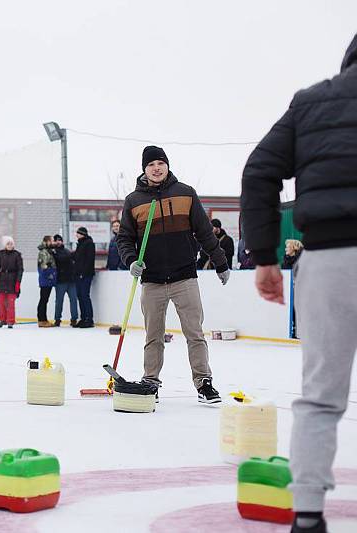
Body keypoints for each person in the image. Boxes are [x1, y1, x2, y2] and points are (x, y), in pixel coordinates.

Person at [240, 35, 357, 533]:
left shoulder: (312, 102)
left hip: (329, 258)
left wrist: (264, 256)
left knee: (320, 396)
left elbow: (259, 170)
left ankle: (308, 515)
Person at [117, 145, 230, 404]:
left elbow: (204, 231)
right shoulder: (134, 201)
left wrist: (220, 262)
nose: (156, 168)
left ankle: (204, 382)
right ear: (144, 169)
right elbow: (124, 238)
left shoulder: (186, 194)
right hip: (152, 280)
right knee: (153, 336)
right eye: (151, 164)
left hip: (184, 277)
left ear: (167, 165)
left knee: (195, 333)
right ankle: (151, 382)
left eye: (160, 163)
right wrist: (131, 260)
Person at [0, 236, 23, 328]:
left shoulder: (17, 255)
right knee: (1, 302)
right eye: (8, 243)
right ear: (5, 245)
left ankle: (10, 320)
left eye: (11, 243)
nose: (10, 245)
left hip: (13, 281)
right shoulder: (0, 254)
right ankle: (2, 320)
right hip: (2, 280)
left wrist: (18, 282)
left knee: (11, 303)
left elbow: (20, 269)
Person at [52, 234, 79, 327]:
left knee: (74, 300)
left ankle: (74, 319)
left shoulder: (66, 251)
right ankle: (57, 319)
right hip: (60, 280)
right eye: (56, 240)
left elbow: (72, 261)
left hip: (71, 280)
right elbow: (61, 259)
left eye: (60, 240)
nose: (58, 242)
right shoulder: (54, 252)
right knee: (59, 301)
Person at [72, 227, 96, 328]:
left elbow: (89, 260)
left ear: (82, 234)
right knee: (80, 296)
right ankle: (83, 318)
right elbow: (77, 258)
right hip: (78, 274)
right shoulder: (80, 244)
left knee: (85, 295)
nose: (76, 235)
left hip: (86, 275)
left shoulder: (89, 243)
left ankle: (89, 319)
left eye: (78, 233)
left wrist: (84, 273)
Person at [36, 235, 56, 327]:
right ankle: (41, 319)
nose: (53, 242)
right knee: (43, 299)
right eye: (52, 241)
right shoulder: (44, 252)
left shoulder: (49, 251)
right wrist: (50, 274)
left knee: (45, 299)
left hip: (48, 279)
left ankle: (43, 319)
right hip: (45, 279)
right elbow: (43, 267)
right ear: (47, 241)